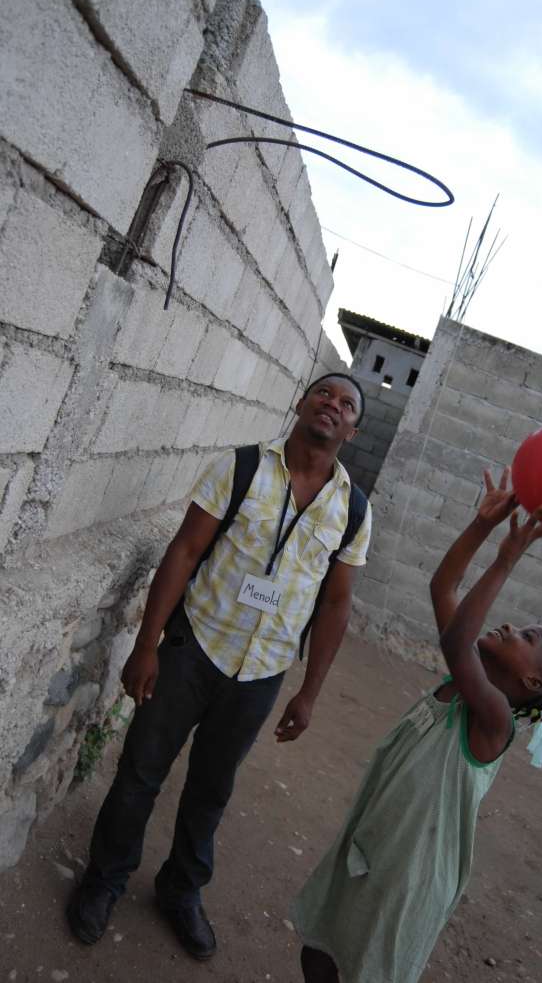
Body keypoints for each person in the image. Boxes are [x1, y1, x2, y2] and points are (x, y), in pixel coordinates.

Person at [67, 373, 373, 960]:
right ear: (302, 403)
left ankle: (180, 890)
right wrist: (147, 645)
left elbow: (336, 603)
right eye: (324, 394)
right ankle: (104, 879)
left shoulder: (353, 512)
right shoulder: (240, 468)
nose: (333, 405)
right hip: (194, 647)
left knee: (211, 790)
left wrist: (308, 692)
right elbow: (184, 550)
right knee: (140, 772)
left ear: (354, 429)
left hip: (261, 672)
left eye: (347, 405)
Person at [292, 469, 542, 983]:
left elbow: (455, 640)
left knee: (364, 970)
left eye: (527, 636)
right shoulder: (461, 681)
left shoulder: (494, 723)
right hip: (372, 844)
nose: (511, 625)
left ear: (532, 681)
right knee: (320, 951)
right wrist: (482, 526)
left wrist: (506, 560)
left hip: (408, 877)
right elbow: (443, 586)